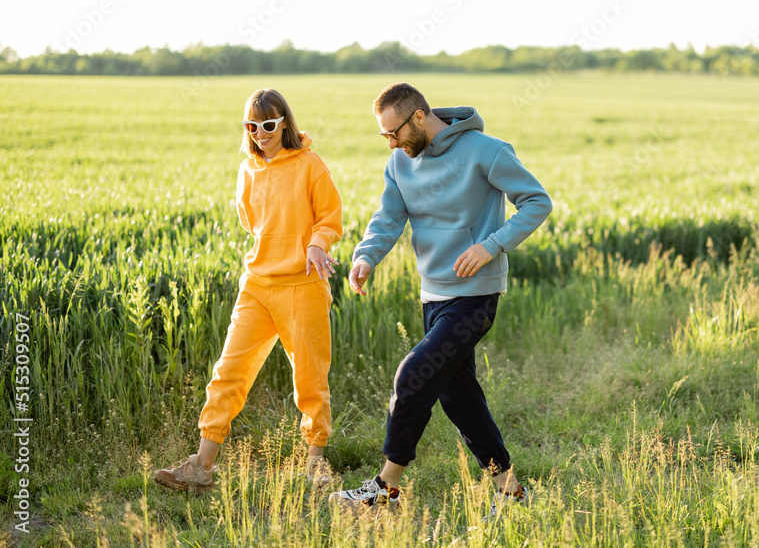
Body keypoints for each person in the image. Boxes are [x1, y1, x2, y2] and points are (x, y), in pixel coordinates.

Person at [330, 82, 552, 511]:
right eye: (384, 136)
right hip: (432, 295)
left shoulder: (486, 150)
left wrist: (492, 245)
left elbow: (536, 202)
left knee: (413, 376)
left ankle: (384, 488)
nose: (390, 143)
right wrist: (366, 256)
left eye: (393, 132)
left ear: (418, 117)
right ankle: (512, 493)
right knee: (459, 397)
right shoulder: (400, 161)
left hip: (476, 294)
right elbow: (389, 217)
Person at [154, 88, 343, 493]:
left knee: (310, 378)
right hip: (257, 285)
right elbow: (250, 221)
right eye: (252, 126)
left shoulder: (312, 165)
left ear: (285, 124)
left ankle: (315, 463)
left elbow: (330, 217)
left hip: (303, 285)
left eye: (270, 124)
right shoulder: (247, 170)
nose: (261, 133)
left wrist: (315, 242)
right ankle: (201, 468)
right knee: (228, 373)